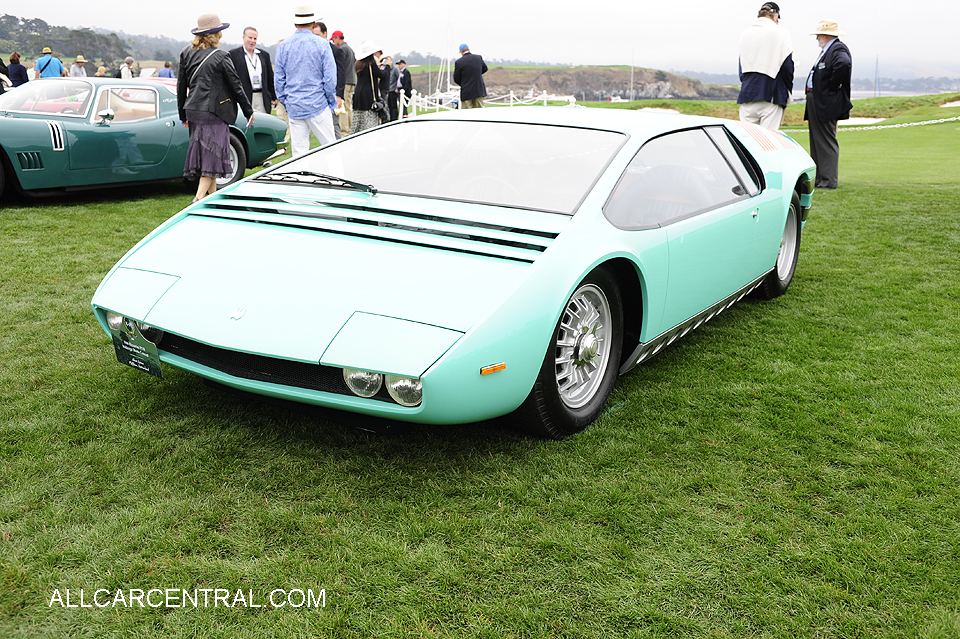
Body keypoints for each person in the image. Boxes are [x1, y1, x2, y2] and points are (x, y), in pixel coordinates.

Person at [177, 13, 255, 202]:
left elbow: (181, 86)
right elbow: (236, 85)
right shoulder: (221, 56)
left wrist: (182, 115)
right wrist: (248, 111)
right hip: (214, 113)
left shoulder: (186, 52)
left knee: (208, 156)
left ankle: (213, 199)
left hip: (193, 111)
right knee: (212, 157)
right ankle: (198, 198)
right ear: (216, 34)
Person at [275, 3, 338, 156]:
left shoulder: (283, 46)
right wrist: (330, 101)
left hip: (295, 106)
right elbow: (330, 78)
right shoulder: (323, 44)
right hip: (318, 104)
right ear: (314, 23)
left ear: (295, 23)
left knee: (299, 155)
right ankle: (338, 178)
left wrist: (286, 101)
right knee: (332, 150)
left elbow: (278, 80)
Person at [804, 20, 852, 189]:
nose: (817, 38)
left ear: (825, 35)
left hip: (825, 101)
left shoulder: (837, 48)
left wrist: (833, 85)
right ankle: (820, 179)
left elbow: (843, 63)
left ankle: (828, 180)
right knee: (817, 140)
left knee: (826, 140)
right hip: (817, 99)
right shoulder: (828, 51)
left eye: (818, 35)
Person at [737, 2, 793, 130]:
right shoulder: (781, 33)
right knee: (768, 142)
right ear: (775, 16)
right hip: (771, 95)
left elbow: (741, 67)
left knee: (747, 141)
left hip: (747, 94)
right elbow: (787, 67)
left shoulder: (745, 33)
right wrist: (787, 91)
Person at [229, 27, 277, 114]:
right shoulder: (233, 55)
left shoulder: (264, 55)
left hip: (262, 96)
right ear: (244, 37)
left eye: (255, 38)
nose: (252, 41)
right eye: (250, 38)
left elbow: (270, 77)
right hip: (244, 96)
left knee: (262, 123)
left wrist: (273, 96)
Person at [312, 21, 345, 139]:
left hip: (332, 94)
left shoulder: (336, 51)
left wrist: (339, 95)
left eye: (317, 35)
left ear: (325, 34)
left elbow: (341, 74)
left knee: (333, 124)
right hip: (316, 95)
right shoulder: (311, 50)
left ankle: (338, 149)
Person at [351, 41, 387, 134]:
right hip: (369, 93)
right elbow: (382, 75)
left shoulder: (358, 64)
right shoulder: (371, 64)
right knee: (369, 118)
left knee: (359, 116)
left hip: (358, 93)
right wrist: (387, 67)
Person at [330, 30, 355, 136]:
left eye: (333, 40)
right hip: (352, 81)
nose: (333, 42)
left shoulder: (342, 49)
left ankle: (344, 131)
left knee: (343, 108)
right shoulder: (350, 49)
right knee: (349, 107)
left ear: (337, 38)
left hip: (345, 82)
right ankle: (350, 129)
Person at [453, 43, 487, 108]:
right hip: (478, 89)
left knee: (466, 114)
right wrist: (476, 74)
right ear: (469, 49)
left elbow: (456, 78)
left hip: (466, 91)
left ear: (461, 52)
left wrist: (464, 82)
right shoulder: (478, 58)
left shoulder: (459, 62)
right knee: (479, 112)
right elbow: (485, 69)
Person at [378, 55, 394, 124]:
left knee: (384, 104)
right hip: (383, 88)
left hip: (384, 88)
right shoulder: (385, 68)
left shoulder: (388, 69)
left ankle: (386, 119)